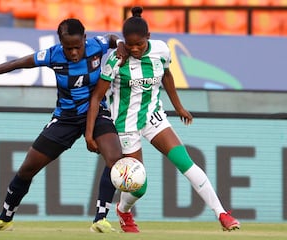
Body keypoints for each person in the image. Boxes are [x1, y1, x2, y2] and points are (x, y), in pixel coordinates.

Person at [0, 18, 127, 231]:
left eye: (78, 47)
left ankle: (100, 220)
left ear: (85, 39)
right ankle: (5, 218)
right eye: (68, 48)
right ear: (60, 43)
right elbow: (17, 63)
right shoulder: (51, 55)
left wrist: (121, 43)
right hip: (65, 118)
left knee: (115, 159)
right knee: (27, 168)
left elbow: (113, 39)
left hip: (96, 114)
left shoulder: (97, 45)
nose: (74, 52)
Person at [85, 6, 241, 233]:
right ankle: (124, 210)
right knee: (139, 186)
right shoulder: (115, 60)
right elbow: (97, 96)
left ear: (148, 37)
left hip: (154, 116)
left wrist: (178, 107)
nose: (135, 49)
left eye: (139, 44)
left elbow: (166, 75)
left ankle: (222, 214)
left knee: (185, 162)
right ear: (124, 42)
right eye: (130, 45)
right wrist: (89, 134)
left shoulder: (161, 50)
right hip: (125, 125)